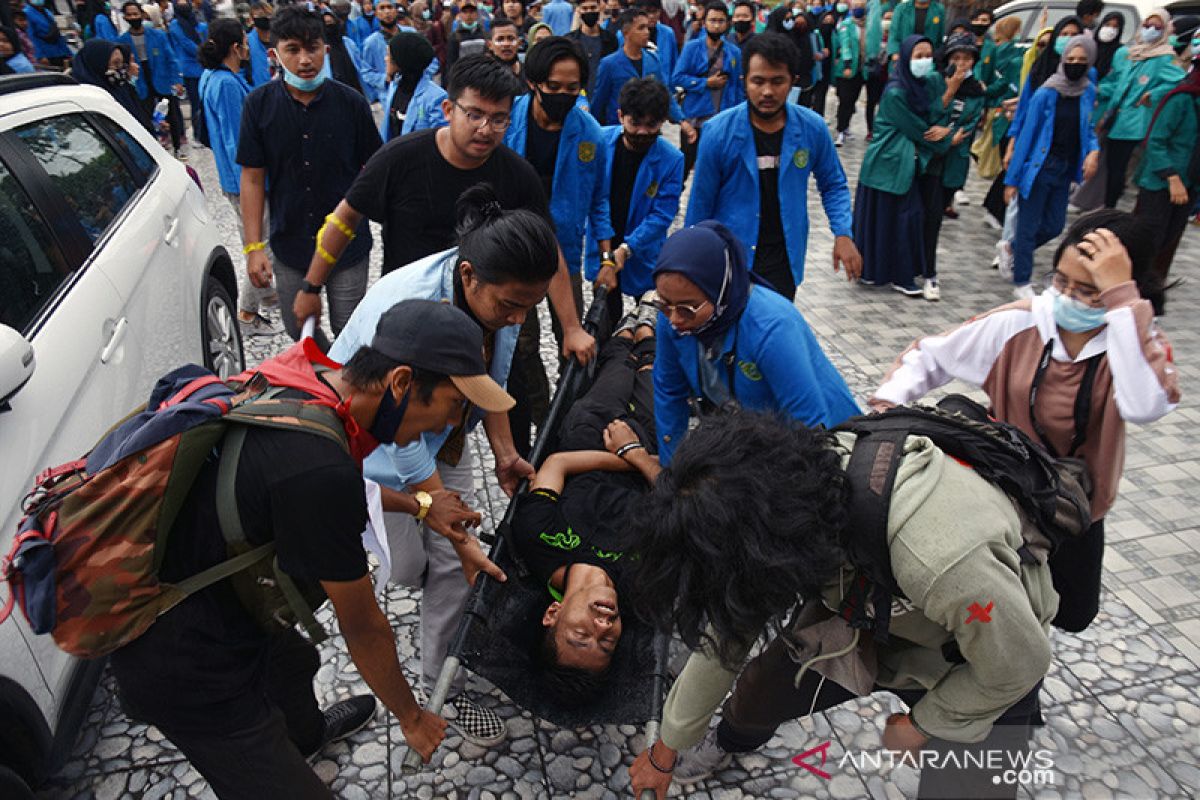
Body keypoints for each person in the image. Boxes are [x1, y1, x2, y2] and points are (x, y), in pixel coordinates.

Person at [110, 298, 517, 799]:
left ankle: (306, 737)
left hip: (221, 589)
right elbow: (364, 626)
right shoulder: (317, 466)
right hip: (183, 656)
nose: (450, 426)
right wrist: (411, 717)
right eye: (453, 405)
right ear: (401, 382)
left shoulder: (307, 378)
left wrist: (420, 504)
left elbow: (331, 487)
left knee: (294, 663)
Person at [626, 410, 1057, 798]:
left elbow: (1019, 664)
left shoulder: (939, 558)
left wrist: (924, 723)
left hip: (984, 655)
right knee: (762, 690)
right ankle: (729, 739)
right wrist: (668, 746)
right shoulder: (783, 492)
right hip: (872, 605)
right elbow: (729, 630)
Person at [328, 186, 561, 747]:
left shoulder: (503, 302)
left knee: (454, 560)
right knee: (411, 565)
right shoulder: (409, 305)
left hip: (438, 435)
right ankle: (434, 582)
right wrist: (435, 511)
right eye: (508, 306)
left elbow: (494, 384)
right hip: (379, 436)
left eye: (529, 306)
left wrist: (504, 453)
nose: (517, 318)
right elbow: (400, 428)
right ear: (467, 277)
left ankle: (441, 683)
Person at [871, 208, 1179, 633]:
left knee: (1074, 612)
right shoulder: (1022, 322)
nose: (1069, 298)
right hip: (1001, 493)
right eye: (1061, 281)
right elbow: (930, 355)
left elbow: (1147, 405)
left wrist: (1123, 302)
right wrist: (884, 410)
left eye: (1090, 290)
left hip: (1078, 506)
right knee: (1000, 613)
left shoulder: (1134, 340)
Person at [515, 310, 662, 697]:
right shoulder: (643, 583)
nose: (602, 628)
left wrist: (624, 454)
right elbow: (677, 499)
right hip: (648, 449)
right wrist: (635, 453)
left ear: (553, 613)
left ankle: (627, 325)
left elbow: (557, 463)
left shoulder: (537, 542)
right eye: (608, 643)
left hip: (589, 431)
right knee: (649, 367)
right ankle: (647, 326)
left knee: (617, 365)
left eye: (581, 635)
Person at [651, 221, 860, 466]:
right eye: (663, 303)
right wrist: (672, 471)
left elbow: (810, 427)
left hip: (829, 440)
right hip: (757, 438)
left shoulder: (772, 327)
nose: (675, 319)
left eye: (688, 309)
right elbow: (669, 393)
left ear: (720, 293)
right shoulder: (672, 318)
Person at [236, 6, 382, 343]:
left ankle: (345, 384)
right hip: (290, 243)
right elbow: (253, 178)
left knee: (352, 330)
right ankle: (322, 375)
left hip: (348, 246)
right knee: (298, 328)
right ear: (275, 54)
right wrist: (254, 247)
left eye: (312, 48)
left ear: (326, 50)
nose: (305, 60)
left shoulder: (352, 104)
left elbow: (374, 169)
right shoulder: (257, 106)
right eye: (293, 50)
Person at [687, 33, 860, 301]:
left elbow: (833, 184)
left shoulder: (811, 128)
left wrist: (843, 233)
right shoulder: (718, 133)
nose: (767, 91)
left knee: (776, 335)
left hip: (784, 260)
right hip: (730, 259)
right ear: (745, 82)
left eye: (777, 81)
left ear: (793, 82)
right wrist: (693, 265)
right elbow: (700, 204)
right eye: (758, 81)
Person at [503, 36, 613, 456]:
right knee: (521, 344)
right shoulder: (508, 121)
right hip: (512, 252)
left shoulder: (590, 134)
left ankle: (571, 418)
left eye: (573, 89)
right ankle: (540, 415)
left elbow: (599, 200)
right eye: (554, 88)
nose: (563, 97)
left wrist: (606, 256)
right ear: (533, 82)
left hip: (563, 253)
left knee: (575, 339)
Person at [199, 18, 280, 340]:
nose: (249, 48)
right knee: (262, 244)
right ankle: (247, 311)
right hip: (243, 177)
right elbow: (238, 139)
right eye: (245, 43)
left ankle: (267, 293)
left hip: (229, 174)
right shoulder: (227, 84)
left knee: (253, 240)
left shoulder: (213, 77)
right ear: (236, 47)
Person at [1004, 35, 1101, 299]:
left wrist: (1094, 150)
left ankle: (1012, 249)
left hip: (1065, 169)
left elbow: (1088, 128)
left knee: (1055, 226)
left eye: (1081, 60)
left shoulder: (1087, 91)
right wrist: (1012, 179)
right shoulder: (1045, 94)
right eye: (1070, 59)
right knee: (1027, 226)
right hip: (1039, 168)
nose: (1075, 64)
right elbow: (1027, 136)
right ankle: (1021, 280)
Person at [586, 77, 683, 328]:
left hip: (644, 251)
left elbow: (662, 215)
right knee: (604, 319)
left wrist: (627, 249)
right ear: (620, 116)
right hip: (603, 243)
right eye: (635, 123)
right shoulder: (599, 142)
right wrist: (608, 252)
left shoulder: (672, 160)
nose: (641, 132)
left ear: (662, 122)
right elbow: (595, 199)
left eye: (651, 125)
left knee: (651, 323)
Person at [854, 34, 945, 295]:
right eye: (918, 56)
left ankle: (894, 274)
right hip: (887, 166)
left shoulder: (924, 86)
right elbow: (921, 131)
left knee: (899, 221)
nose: (924, 61)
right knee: (902, 219)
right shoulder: (895, 92)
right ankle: (897, 275)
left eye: (929, 56)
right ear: (905, 58)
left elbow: (938, 111)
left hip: (902, 166)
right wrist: (947, 137)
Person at [1132, 43, 1200, 316]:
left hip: (1191, 184)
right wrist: (1172, 177)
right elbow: (1156, 141)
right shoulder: (1182, 98)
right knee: (1148, 240)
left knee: (1168, 241)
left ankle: (1151, 300)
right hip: (1162, 183)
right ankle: (1130, 297)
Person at [1095, 9, 1185, 208]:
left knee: (1121, 167)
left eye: (1157, 27)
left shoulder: (1164, 57)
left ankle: (1110, 207)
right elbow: (1118, 82)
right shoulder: (1131, 53)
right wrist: (1097, 90)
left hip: (1136, 121)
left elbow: (1178, 82)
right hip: (1116, 117)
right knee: (1112, 166)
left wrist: (1153, 93)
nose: (1150, 30)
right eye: (1147, 26)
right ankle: (1108, 204)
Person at [917, 31, 983, 301]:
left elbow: (970, 122)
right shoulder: (934, 82)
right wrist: (950, 90)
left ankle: (925, 265)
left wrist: (952, 134)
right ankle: (928, 271)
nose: (962, 63)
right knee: (928, 217)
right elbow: (929, 117)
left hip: (953, 160)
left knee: (937, 215)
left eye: (967, 58)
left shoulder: (977, 91)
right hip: (928, 161)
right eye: (956, 57)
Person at [674, 1, 743, 180]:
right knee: (685, 164)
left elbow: (737, 86)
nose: (716, 24)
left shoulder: (734, 52)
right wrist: (705, 83)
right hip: (695, 118)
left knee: (717, 170)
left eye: (721, 21)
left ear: (727, 23)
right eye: (712, 20)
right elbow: (677, 77)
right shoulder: (692, 48)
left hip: (722, 118)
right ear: (704, 22)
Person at [591, 7, 684, 126]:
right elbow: (599, 102)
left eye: (647, 27)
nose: (647, 32)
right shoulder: (609, 64)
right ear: (626, 32)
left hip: (649, 127)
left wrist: (681, 119)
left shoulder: (653, 59)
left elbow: (664, 93)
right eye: (641, 28)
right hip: (618, 128)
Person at [119, 1, 187, 157]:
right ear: (125, 17)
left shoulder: (158, 35)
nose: (133, 17)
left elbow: (172, 59)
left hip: (162, 79)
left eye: (135, 14)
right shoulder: (122, 40)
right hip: (141, 82)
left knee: (172, 114)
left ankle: (178, 147)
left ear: (142, 15)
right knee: (147, 117)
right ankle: (156, 150)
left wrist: (177, 81)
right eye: (129, 15)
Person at [71, 38, 154, 130]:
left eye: (121, 64)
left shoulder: (122, 88)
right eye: (115, 63)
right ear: (99, 64)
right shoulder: (89, 101)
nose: (120, 68)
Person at [381, 31, 447, 141]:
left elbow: (441, 142)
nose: (385, 59)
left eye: (389, 55)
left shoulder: (436, 98)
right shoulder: (394, 87)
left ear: (401, 61)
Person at [169, 1, 207, 141]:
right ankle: (198, 134)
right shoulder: (175, 25)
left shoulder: (198, 23)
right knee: (196, 104)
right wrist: (205, 52)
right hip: (190, 69)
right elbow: (185, 43)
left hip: (204, 66)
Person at [832, 0, 868, 146]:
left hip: (861, 69)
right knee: (844, 100)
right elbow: (845, 45)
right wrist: (846, 64)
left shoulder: (868, 26)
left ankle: (846, 126)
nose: (858, 9)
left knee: (853, 100)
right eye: (856, 7)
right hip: (847, 69)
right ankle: (840, 130)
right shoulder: (846, 25)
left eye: (861, 7)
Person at [566, 0, 618, 96]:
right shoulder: (569, 40)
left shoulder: (611, 40)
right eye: (585, 8)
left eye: (593, 8)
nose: (589, 11)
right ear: (579, 10)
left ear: (600, 8)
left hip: (603, 96)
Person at [360, 0, 406, 101]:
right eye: (382, 8)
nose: (387, 12)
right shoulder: (371, 42)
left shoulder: (410, 33)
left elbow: (431, 60)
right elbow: (366, 73)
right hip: (390, 95)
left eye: (390, 7)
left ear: (396, 11)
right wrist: (385, 79)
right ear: (376, 13)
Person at [318, 10, 366, 96]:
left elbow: (360, 65)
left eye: (331, 23)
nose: (330, 26)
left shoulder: (348, 43)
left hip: (355, 89)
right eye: (326, 24)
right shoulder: (320, 48)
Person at [22, 0, 71, 68]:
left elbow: (56, 33)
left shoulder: (46, 11)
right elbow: (31, 36)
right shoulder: (27, 13)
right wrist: (40, 56)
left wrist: (68, 52)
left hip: (59, 51)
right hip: (46, 53)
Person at [409, 0, 447, 76]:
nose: (427, 12)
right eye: (424, 10)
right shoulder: (409, 28)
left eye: (427, 9)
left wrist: (429, 49)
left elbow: (440, 44)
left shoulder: (433, 26)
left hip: (434, 65)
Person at [447, 1, 487, 67]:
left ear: (476, 14)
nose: (468, 15)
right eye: (465, 12)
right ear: (460, 15)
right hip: (463, 73)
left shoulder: (484, 34)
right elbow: (451, 61)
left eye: (471, 12)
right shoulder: (455, 36)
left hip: (481, 72)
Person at [246, 1, 274, 86]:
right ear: (251, 19)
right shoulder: (246, 42)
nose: (265, 18)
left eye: (268, 15)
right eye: (260, 16)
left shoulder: (281, 39)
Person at [488, 16, 524, 80]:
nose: (506, 44)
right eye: (500, 39)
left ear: (519, 43)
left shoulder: (528, 71)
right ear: (490, 45)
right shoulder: (485, 75)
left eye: (511, 39)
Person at [1094, 11, 1125, 80]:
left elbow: (1119, 78)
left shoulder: (1120, 51)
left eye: (1115, 27)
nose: (1110, 29)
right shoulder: (1090, 45)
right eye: (1107, 25)